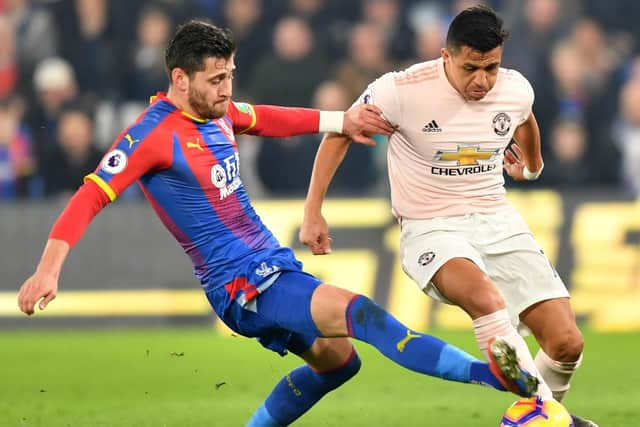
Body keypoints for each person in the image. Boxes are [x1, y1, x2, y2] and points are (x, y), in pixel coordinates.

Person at [17, 20, 538, 427]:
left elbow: (265, 117)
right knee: (364, 315)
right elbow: (90, 195)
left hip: (269, 266)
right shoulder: (152, 135)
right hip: (240, 284)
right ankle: (492, 375)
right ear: (180, 79)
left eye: (230, 76)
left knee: (340, 363)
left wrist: (342, 120)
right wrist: (47, 271)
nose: (226, 89)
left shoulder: (217, 110)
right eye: (215, 79)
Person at [299, 6, 598, 427]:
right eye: (470, 67)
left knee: (567, 343)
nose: (481, 80)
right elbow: (341, 133)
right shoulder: (400, 90)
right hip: (431, 229)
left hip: (498, 220)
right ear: (446, 56)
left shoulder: (514, 89)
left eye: (491, 67)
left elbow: (525, 120)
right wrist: (313, 211)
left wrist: (532, 165)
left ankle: (540, 415)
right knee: (486, 301)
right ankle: (549, 416)